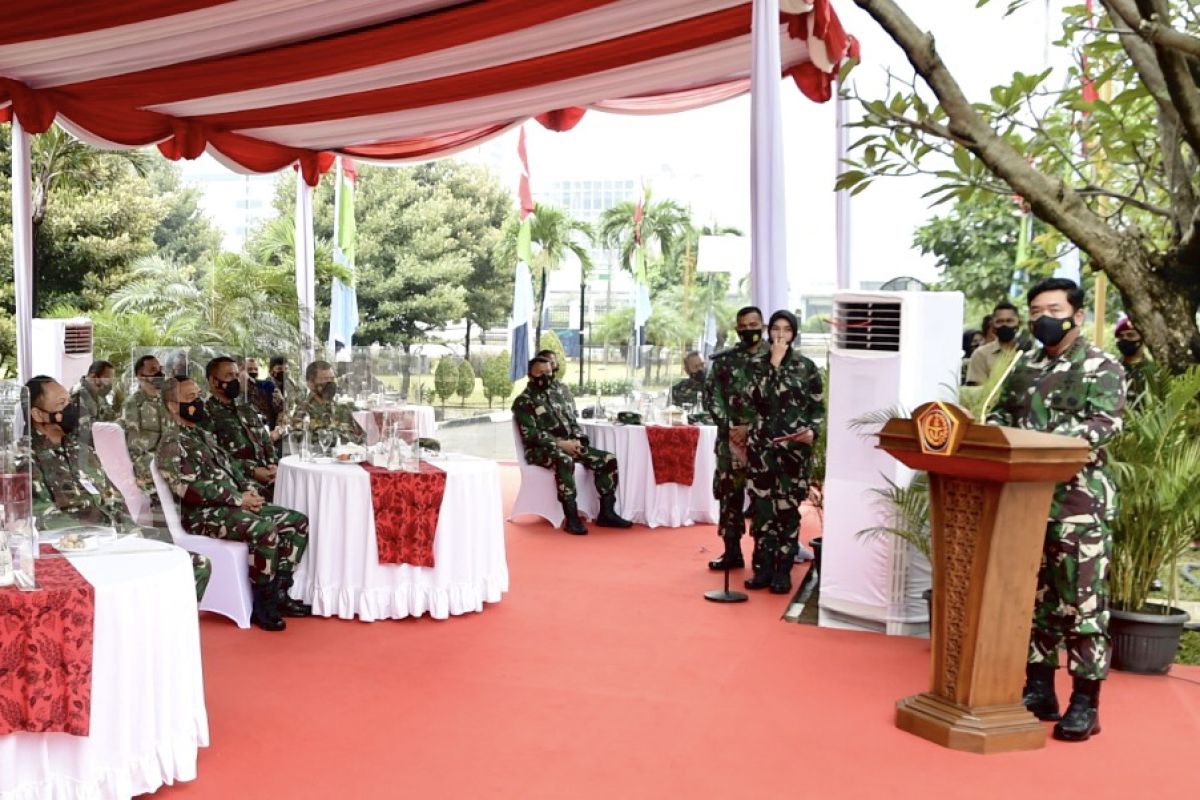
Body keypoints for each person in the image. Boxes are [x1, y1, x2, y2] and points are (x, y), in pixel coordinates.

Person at [988, 277, 1125, 743]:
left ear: (1077, 315)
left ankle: (1085, 702)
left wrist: (1038, 445)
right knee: (1037, 601)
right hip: (1026, 505)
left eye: (1052, 309)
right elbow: (1000, 417)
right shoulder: (1023, 364)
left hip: (1078, 506)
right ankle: (1039, 689)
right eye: (1035, 311)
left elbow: (1102, 427)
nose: (1042, 318)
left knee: (1082, 604)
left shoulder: (1101, 365)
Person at [27, 376, 211, 601]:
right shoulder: (26, 458)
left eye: (70, 401)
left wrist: (129, 530)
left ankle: (157, 627)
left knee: (193, 564)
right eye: (61, 405)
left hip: (117, 537)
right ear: (38, 415)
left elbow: (111, 496)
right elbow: (42, 517)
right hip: (83, 550)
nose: (71, 409)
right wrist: (104, 535)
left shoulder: (80, 449)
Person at [157, 376, 311, 631]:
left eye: (197, 395)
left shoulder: (202, 434)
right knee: (264, 531)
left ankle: (279, 593)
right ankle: (262, 605)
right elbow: (189, 489)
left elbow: (232, 469)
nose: (197, 401)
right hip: (203, 514)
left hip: (231, 506)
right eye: (189, 398)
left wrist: (248, 492)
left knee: (297, 522)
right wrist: (238, 499)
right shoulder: (172, 443)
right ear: (173, 406)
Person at [744, 311, 824, 594]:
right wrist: (774, 365)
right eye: (775, 329)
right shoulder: (755, 364)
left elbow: (817, 407)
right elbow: (755, 400)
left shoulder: (807, 366)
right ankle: (763, 567)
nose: (780, 334)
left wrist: (813, 430)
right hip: (763, 449)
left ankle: (783, 569)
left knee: (788, 511)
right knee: (763, 511)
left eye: (786, 330)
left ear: (794, 333)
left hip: (793, 452)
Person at [511, 356, 632, 534]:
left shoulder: (557, 395)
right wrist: (561, 444)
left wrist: (578, 440)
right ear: (530, 375)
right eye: (540, 373)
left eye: (548, 372)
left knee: (608, 459)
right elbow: (531, 434)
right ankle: (572, 518)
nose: (545, 377)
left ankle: (607, 513)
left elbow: (572, 422)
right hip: (540, 450)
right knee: (564, 460)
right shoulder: (524, 401)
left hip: (569, 445)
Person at [702, 306, 770, 571]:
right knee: (729, 497)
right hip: (729, 443)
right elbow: (712, 396)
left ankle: (762, 558)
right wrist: (730, 425)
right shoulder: (726, 360)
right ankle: (731, 551)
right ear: (737, 330)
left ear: (762, 327)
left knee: (763, 499)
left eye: (753, 324)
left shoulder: (775, 360)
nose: (748, 330)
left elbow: (779, 402)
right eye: (743, 326)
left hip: (762, 444)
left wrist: (750, 428)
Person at [203, 357, 279, 501]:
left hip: (268, 475)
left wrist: (273, 465)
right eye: (229, 376)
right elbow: (214, 456)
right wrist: (253, 471)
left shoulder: (246, 409)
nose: (236, 380)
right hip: (239, 479)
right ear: (214, 381)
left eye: (237, 376)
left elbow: (265, 440)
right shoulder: (206, 414)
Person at [293, 360, 364, 445]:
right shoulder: (304, 411)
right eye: (324, 379)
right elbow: (302, 440)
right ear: (310, 383)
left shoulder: (342, 408)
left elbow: (359, 438)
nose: (330, 383)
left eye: (332, 379)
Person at [966, 300, 1022, 386]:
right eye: (999, 321)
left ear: (1019, 323)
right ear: (992, 325)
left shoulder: (1028, 352)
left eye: (1009, 321)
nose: (1004, 325)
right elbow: (977, 390)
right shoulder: (981, 355)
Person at [1114, 316, 1156, 405]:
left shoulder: (1154, 370)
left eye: (1130, 335)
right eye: (1121, 336)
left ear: (1142, 338)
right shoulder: (1111, 368)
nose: (1125, 339)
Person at [71, 359, 119, 426]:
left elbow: (109, 415)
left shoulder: (98, 394)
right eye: (107, 378)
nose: (109, 382)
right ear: (94, 377)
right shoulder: (78, 394)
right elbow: (83, 429)